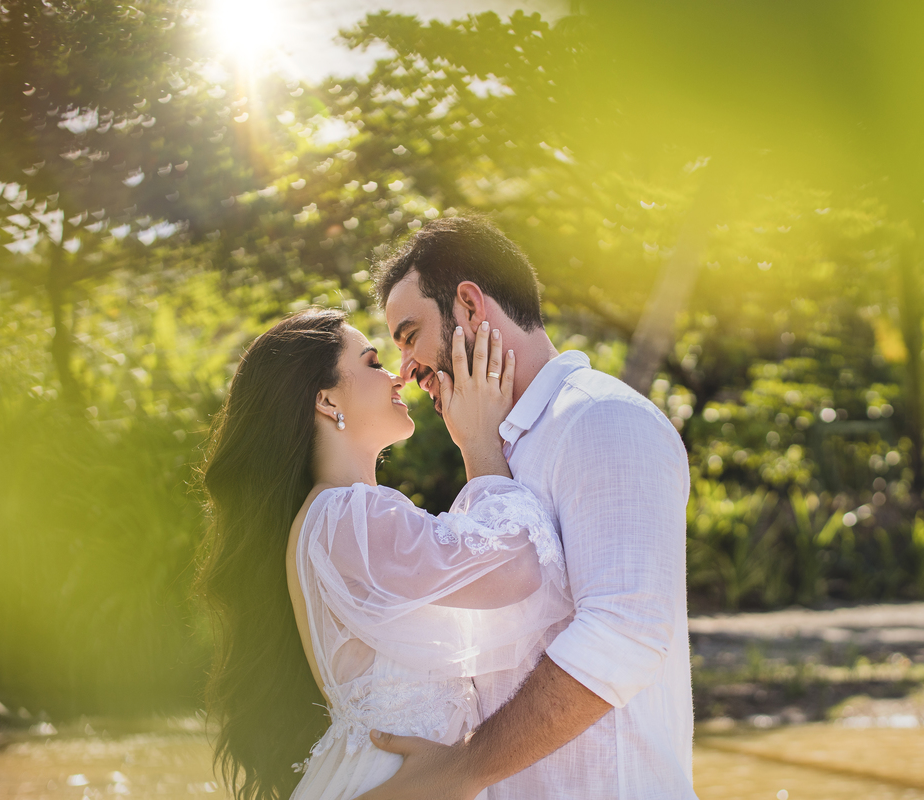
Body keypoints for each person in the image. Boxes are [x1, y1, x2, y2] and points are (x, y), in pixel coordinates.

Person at [361, 216, 696, 800]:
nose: (407, 370)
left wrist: (460, 770)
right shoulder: (496, 447)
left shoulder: (600, 420)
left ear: (468, 306)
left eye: (410, 335)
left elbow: (625, 633)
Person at [195, 308, 573, 800]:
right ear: (327, 400)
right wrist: (481, 442)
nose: (397, 374)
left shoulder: (332, 519)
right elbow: (517, 568)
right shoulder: (346, 516)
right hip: (394, 780)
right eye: (373, 362)